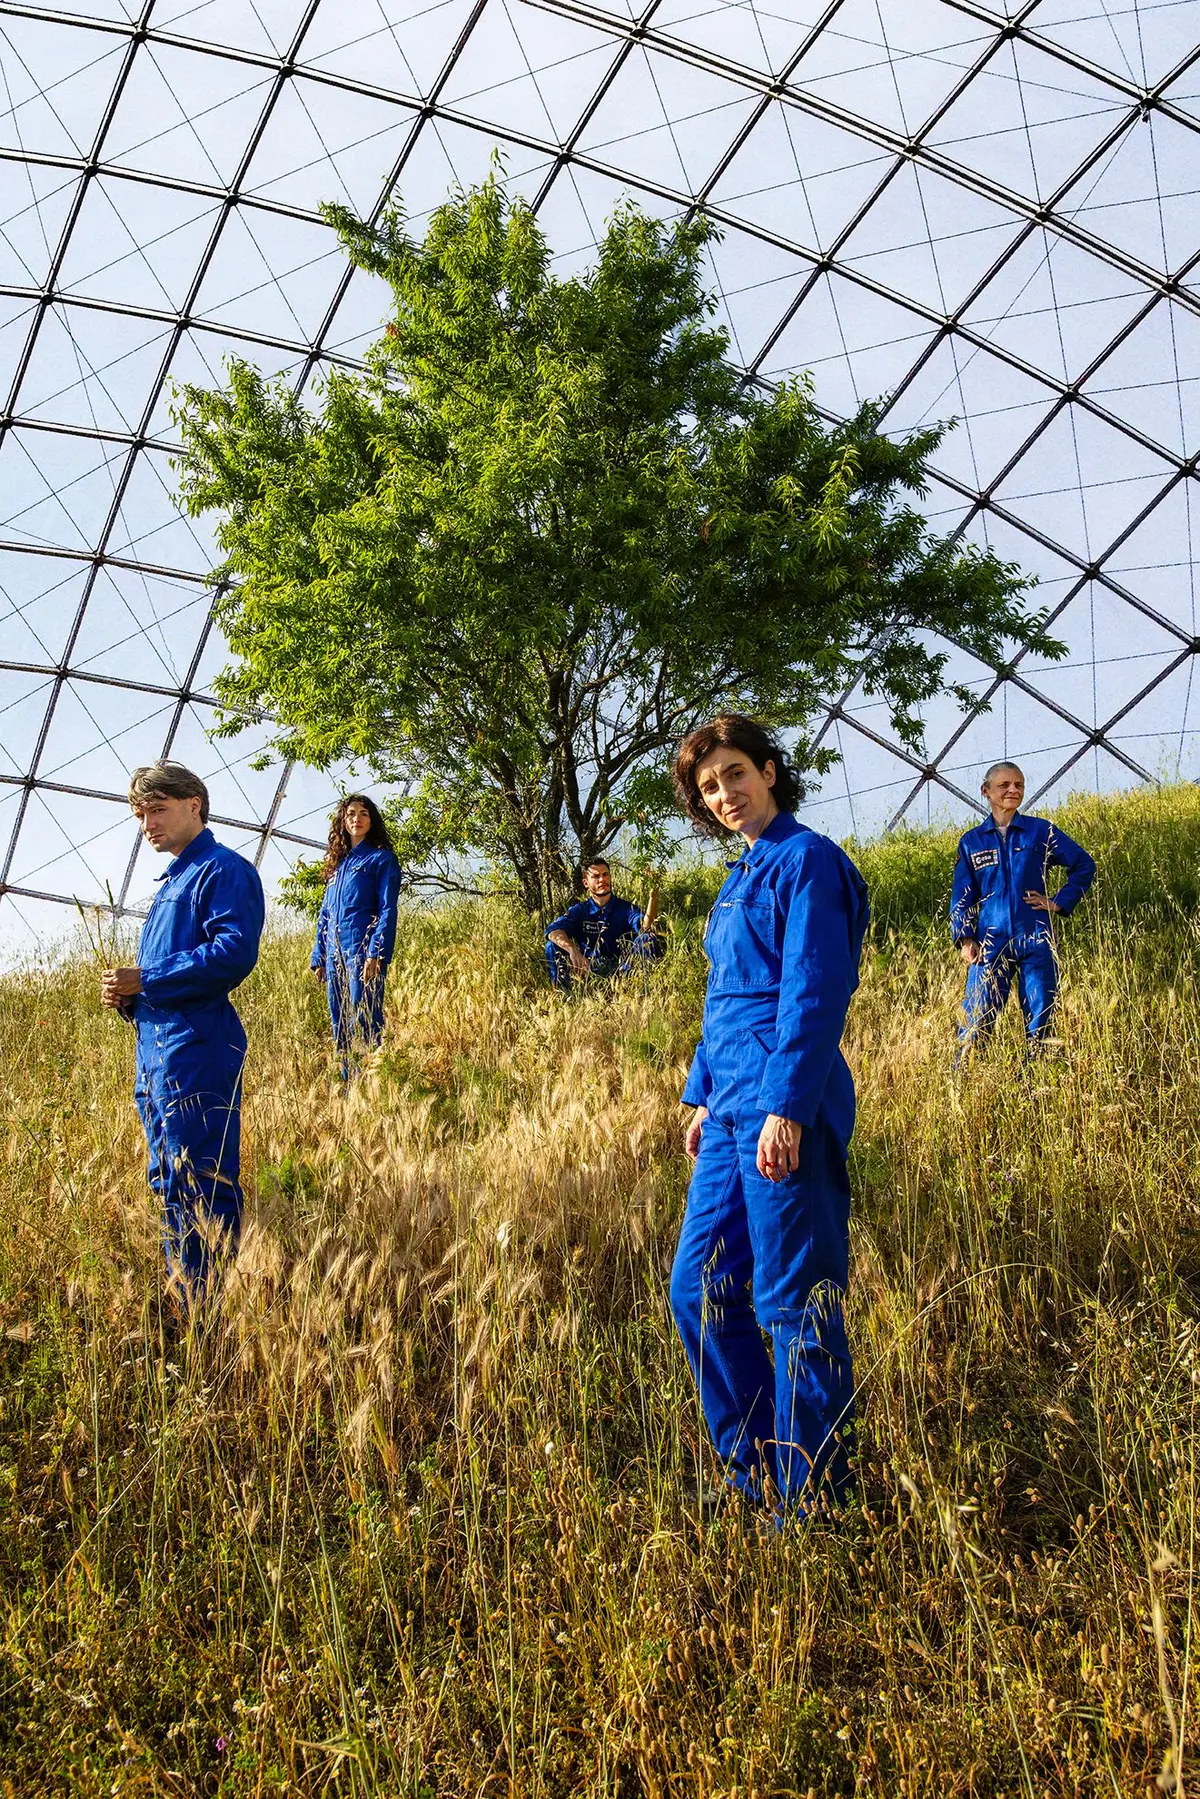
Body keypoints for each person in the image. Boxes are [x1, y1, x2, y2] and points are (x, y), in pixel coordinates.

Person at [669, 715, 869, 1518]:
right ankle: (752, 1470)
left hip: (784, 1109)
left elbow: (813, 993)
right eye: (709, 786)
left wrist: (785, 1106)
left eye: (735, 774)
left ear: (770, 771)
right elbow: (727, 997)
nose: (725, 794)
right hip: (727, 1116)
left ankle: (816, 1501)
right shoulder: (739, 877)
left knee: (796, 1304)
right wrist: (700, 1087)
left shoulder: (807, 860)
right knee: (700, 1287)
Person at [101, 761, 264, 1307]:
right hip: (157, 1053)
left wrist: (148, 978)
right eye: (140, 814)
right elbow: (172, 976)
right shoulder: (173, 880)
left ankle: (211, 1311)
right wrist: (132, 999)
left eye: (157, 809)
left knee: (202, 1181)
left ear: (194, 804)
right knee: (169, 1179)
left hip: (197, 1049)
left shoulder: (222, 871)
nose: (146, 822)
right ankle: (184, 1301)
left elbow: (231, 953)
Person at [951, 761, 1095, 1060]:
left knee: (1041, 1013)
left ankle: (1035, 1083)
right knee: (976, 1016)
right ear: (986, 791)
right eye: (1004, 785)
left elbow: (1083, 864)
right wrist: (965, 939)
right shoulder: (972, 842)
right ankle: (964, 1081)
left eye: (1018, 785)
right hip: (991, 940)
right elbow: (962, 894)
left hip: (1035, 936)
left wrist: (1058, 901)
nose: (1013, 790)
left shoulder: (1040, 831)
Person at [309, 794, 402, 1077]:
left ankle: (372, 1085)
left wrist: (377, 952)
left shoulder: (381, 859)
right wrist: (319, 955)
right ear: (343, 821)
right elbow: (325, 915)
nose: (356, 819)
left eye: (363, 813)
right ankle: (350, 1085)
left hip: (362, 951)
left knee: (364, 1018)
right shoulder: (337, 867)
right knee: (339, 1022)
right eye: (350, 814)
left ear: (371, 821)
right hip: (335, 953)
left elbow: (387, 910)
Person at [544, 859, 663, 992]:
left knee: (647, 939)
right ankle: (564, 996)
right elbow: (552, 931)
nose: (602, 879)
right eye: (595, 876)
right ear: (586, 883)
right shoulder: (580, 910)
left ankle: (640, 993)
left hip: (622, 970)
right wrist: (573, 951)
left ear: (610, 878)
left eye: (605, 875)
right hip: (589, 970)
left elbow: (646, 927)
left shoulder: (626, 908)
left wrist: (653, 897)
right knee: (552, 946)